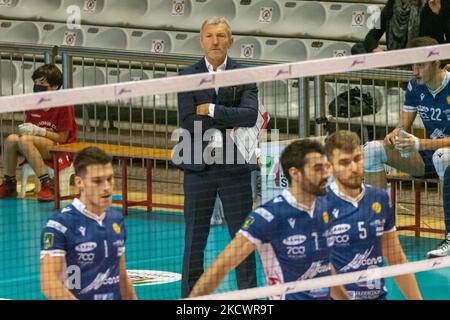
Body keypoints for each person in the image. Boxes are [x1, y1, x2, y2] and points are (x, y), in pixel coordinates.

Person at [189, 139, 341, 300]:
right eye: (318, 169)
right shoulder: (268, 216)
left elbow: (325, 269)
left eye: (326, 167)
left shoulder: (327, 207)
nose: (326, 174)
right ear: (295, 173)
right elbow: (219, 268)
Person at [175, 16, 258, 297]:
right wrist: (228, 119)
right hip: (199, 169)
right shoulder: (187, 76)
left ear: (230, 41)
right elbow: (187, 121)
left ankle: (248, 297)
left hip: (235, 169)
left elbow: (249, 116)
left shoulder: (244, 75)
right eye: (210, 36)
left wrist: (210, 109)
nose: (215, 41)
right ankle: (189, 298)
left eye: (221, 36)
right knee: (194, 240)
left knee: (243, 239)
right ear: (201, 40)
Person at [361, 37, 450, 258]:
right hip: (426, 156)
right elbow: (403, 125)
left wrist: (420, 143)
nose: (416, 70)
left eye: (421, 64)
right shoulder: (413, 86)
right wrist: (394, 135)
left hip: (442, 155)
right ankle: (380, 231)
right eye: (413, 65)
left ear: (436, 62)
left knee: (442, 157)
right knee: (372, 149)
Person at [325, 130, 422, 300]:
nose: (353, 168)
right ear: (330, 167)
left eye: (357, 159)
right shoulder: (320, 205)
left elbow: (396, 258)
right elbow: (320, 270)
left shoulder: (379, 198)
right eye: (344, 162)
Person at [40, 147, 137, 300]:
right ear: (80, 182)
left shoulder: (116, 220)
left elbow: (122, 275)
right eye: (97, 181)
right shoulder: (59, 225)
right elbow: (49, 283)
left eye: (110, 179)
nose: (106, 187)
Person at [0, 64, 77, 201]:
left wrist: (39, 131)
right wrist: (27, 130)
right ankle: (9, 184)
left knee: (25, 140)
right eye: (35, 82)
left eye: (42, 83)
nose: (37, 86)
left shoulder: (64, 104)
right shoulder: (34, 103)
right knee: (11, 139)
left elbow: (63, 138)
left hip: (60, 147)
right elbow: (29, 132)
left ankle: (48, 185)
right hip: (35, 144)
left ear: (54, 86)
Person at [352, 0, 423, 54]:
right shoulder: (391, 6)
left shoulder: (423, 8)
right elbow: (371, 37)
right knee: (357, 48)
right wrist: (376, 50)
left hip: (413, 57)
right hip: (391, 56)